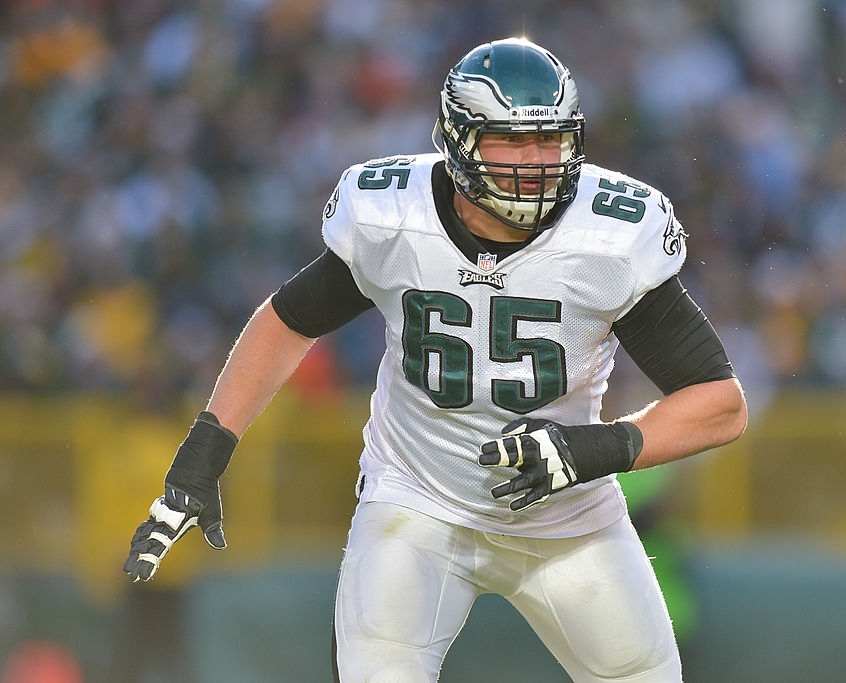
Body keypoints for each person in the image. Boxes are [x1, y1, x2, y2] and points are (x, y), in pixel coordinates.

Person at [124, 37, 747, 682]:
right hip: (416, 503)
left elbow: (719, 404)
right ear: (458, 139)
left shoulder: (608, 237)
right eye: (512, 140)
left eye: (550, 140)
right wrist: (208, 446)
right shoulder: (394, 216)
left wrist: (589, 449)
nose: (536, 162)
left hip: (566, 516)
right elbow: (287, 323)